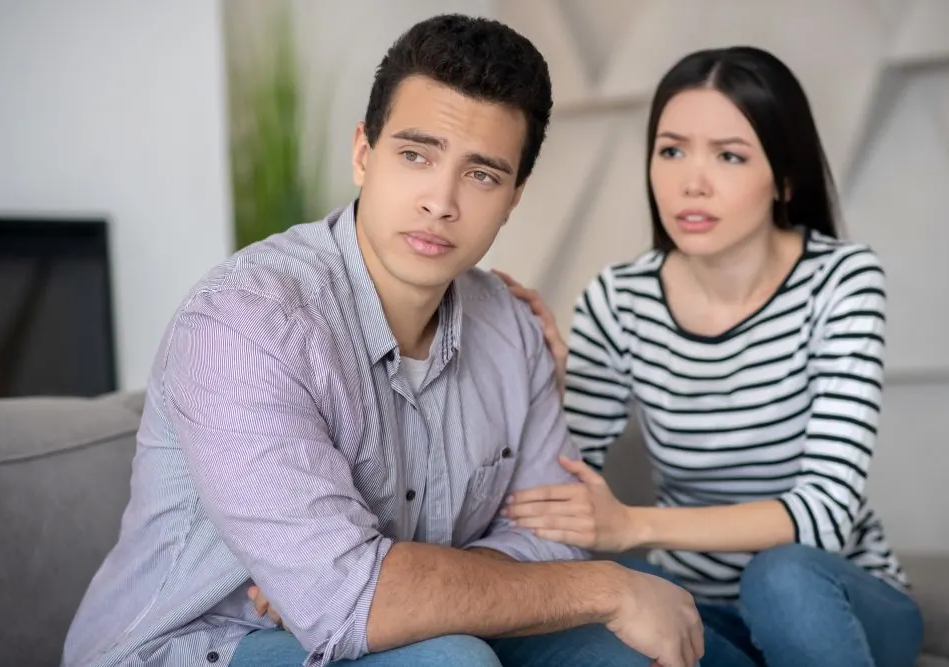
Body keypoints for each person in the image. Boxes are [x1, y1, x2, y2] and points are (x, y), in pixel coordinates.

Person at [61, 14, 704, 667]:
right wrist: (607, 585)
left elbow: (554, 538)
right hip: (203, 643)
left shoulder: (511, 326)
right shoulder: (245, 322)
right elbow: (353, 604)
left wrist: (394, 586)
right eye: (416, 155)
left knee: (615, 654)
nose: (441, 201)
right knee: (452, 659)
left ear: (514, 196)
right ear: (363, 154)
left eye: (481, 174)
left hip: (393, 627)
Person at [495, 45, 924, 667]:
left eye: (729, 155)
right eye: (671, 150)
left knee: (782, 578)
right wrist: (544, 384)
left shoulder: (842, 279)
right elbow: (563, 477)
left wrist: (636, 526)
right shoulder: (620, 299)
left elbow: (824, 514)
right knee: (598, 606)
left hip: (842, 599)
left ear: (784, 177)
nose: (691, 181)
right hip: (703, 606)